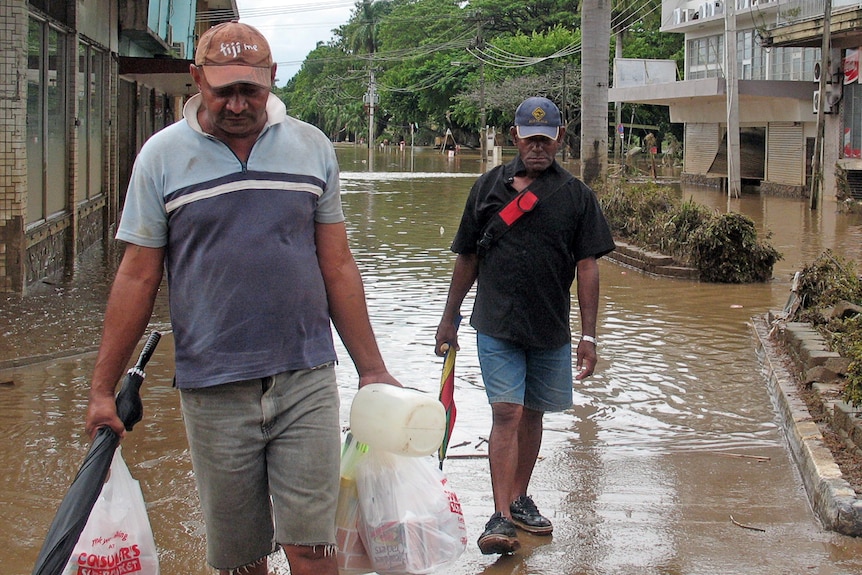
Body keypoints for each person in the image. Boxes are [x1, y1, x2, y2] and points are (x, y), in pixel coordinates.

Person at [85, 21, 400, 575]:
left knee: (313, 547)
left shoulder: (311, 147)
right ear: (195, 79)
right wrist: (101, 390)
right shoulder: (161, 157)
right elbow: (137, 276)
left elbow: (338, 264)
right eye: (222, 90)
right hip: (212, 386)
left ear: (272, 79)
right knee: (240, 558)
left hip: (305, 375)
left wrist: (371, 369)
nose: (236, 104)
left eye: (250, 90)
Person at [435, 96, 615, 555]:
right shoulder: (486, 189)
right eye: (529, 138)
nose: (537, 146)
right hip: (495, 323)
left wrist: (589, 336)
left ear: (559, 140)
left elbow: (588, 267)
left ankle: (518, 499)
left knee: (533, 412)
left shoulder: (576, 196)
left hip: (550, 327)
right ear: (514, 137)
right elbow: (468, 257)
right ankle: (499, 515)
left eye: (546, 138)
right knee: (507, 412)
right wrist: (448, 318)